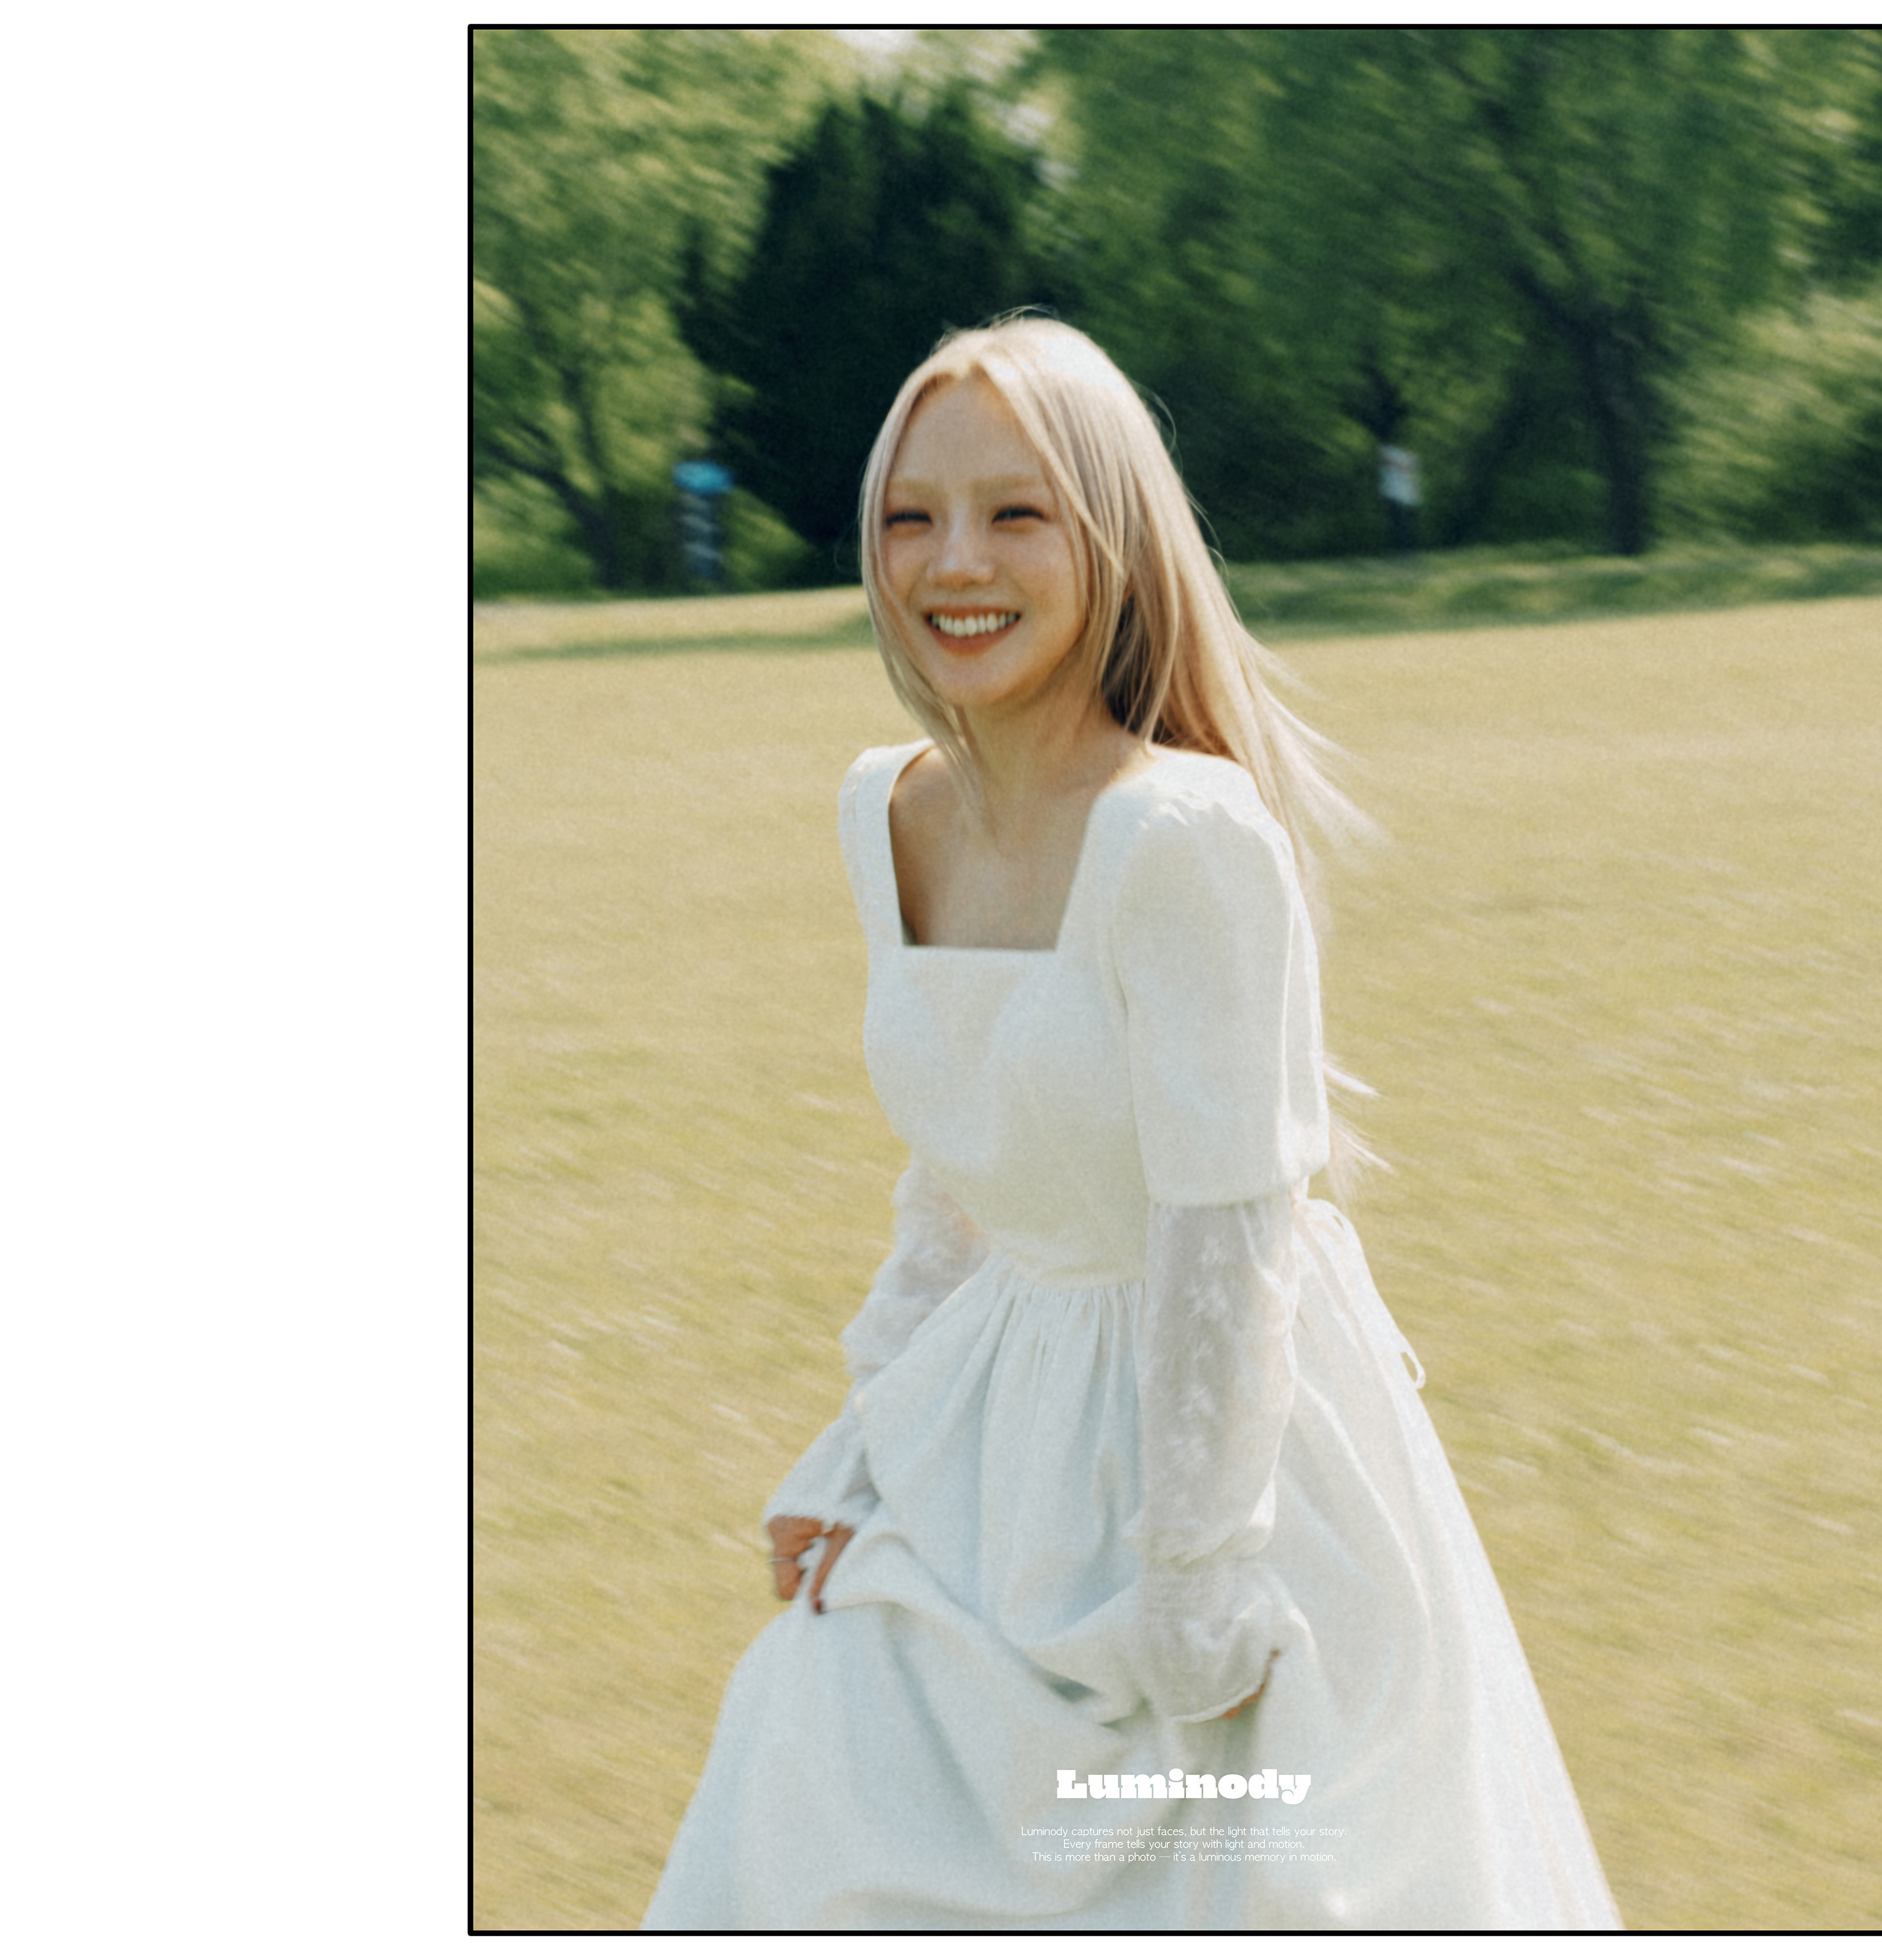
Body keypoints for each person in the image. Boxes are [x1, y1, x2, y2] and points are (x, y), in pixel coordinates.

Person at [643, 316, 1619, 1931]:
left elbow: (1226, 1232)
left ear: (1112, 540)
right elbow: (967, 1175)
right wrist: (861, 1450)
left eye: (1016, 513)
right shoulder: (885, 811)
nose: (956, 561)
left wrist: (1195, 1575)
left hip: (1217, 1462)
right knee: (806, 1778)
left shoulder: (1187, 836)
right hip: (985, 1445)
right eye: (911, 516)